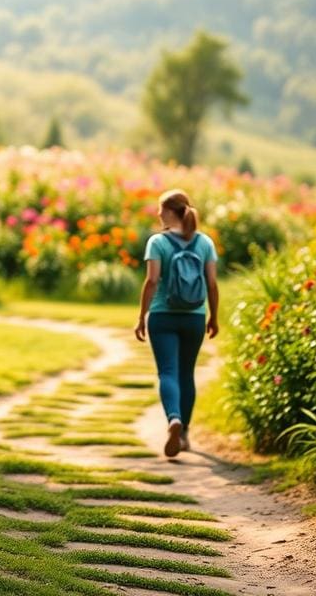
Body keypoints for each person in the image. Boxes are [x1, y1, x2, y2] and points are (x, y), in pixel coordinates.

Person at [134, 189, 219, 457]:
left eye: (160, 209)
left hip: (163, 315)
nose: (158, 214)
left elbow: (152, 281)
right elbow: (212, 284)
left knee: (168, 372)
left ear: (170, 212)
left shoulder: (157, 242)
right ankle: (183, 435)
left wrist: (141, 316)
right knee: (186, 374)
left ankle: (173, 418)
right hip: (194, 317)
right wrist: (213, 316)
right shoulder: (205, 243)